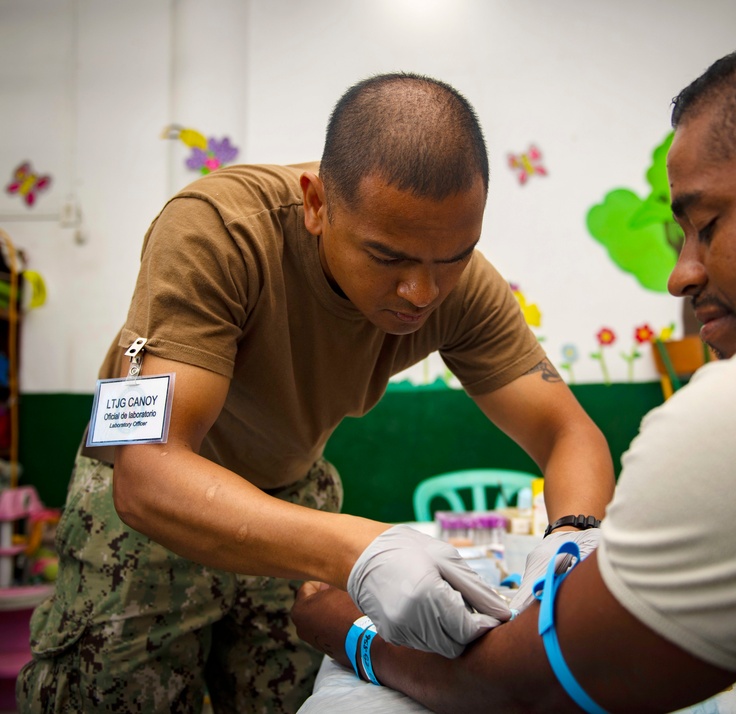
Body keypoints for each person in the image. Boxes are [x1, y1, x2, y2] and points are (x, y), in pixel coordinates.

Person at [290, 8, 736, 713]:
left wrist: (341, 629)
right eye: (386, 255)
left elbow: (517, 688)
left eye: (706, 226)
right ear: (316, 207)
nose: (681, 276)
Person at [17, 73, 616, 713]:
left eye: (454, 257)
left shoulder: (456, 284)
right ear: (316, 204)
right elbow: (146, 473)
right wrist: (357, 547)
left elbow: (567, 432)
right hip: (150, 512)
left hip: (289, 493)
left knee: (290, 696)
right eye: (388, 257)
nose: (423, 291)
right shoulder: (217, 232)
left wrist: (574, 538)